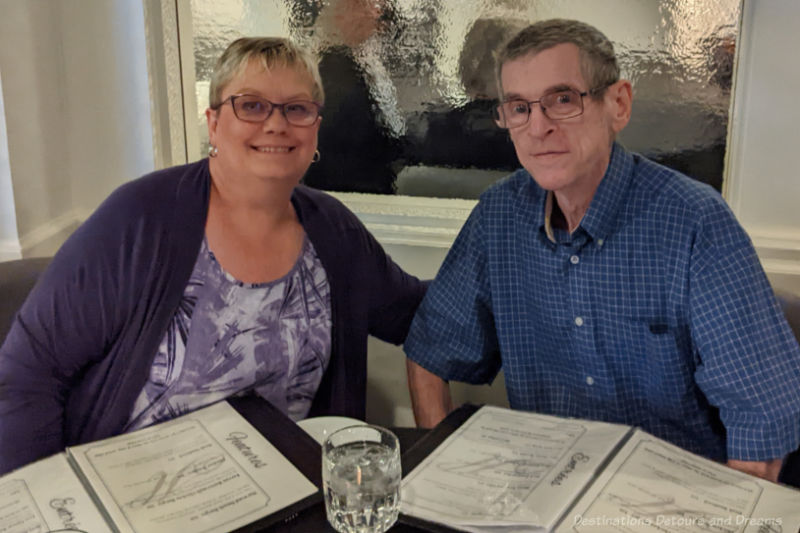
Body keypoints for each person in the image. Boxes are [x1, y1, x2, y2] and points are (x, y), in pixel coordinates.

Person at [0, 37, 426, 475]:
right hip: (131, 500)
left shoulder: (334, 232)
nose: (277, 124)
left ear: (316, 127)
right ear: (214, 123)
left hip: (276, 496)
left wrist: (491, 261)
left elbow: (415, 311)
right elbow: (29, 373)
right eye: (252, 105)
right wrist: (42, 504)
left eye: (296, 108)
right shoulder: (138, 219)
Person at [404, 19, 800, 482]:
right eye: (518, 107)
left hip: (672, 499)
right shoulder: (498, 217)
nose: (538, 128)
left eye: (563, 100)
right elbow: (429, 353)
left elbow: (761, 430)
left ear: (619, 104)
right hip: (543, 493)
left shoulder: (694, 224)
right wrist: (445, 476)